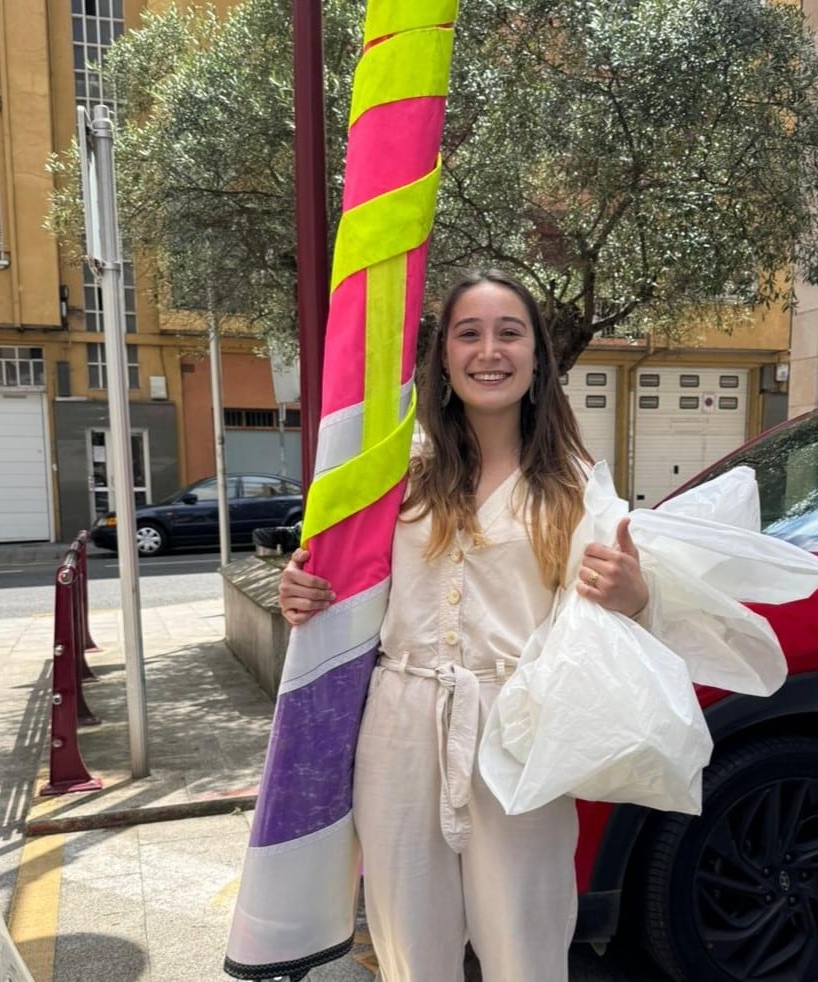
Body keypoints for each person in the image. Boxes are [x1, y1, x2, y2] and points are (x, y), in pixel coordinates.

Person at [277, 270, 650, 982]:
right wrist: (301, 590)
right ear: (444, 357)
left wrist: (632, 597)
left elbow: (611, 624)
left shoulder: (575, 483)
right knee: (410, 942)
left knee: (525, 940)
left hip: (520, 729)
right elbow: (341, 583)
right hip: (398, 724)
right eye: (468, 333)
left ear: (537, 356)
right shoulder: (395, 476)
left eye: (509, 332)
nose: (489, 350)